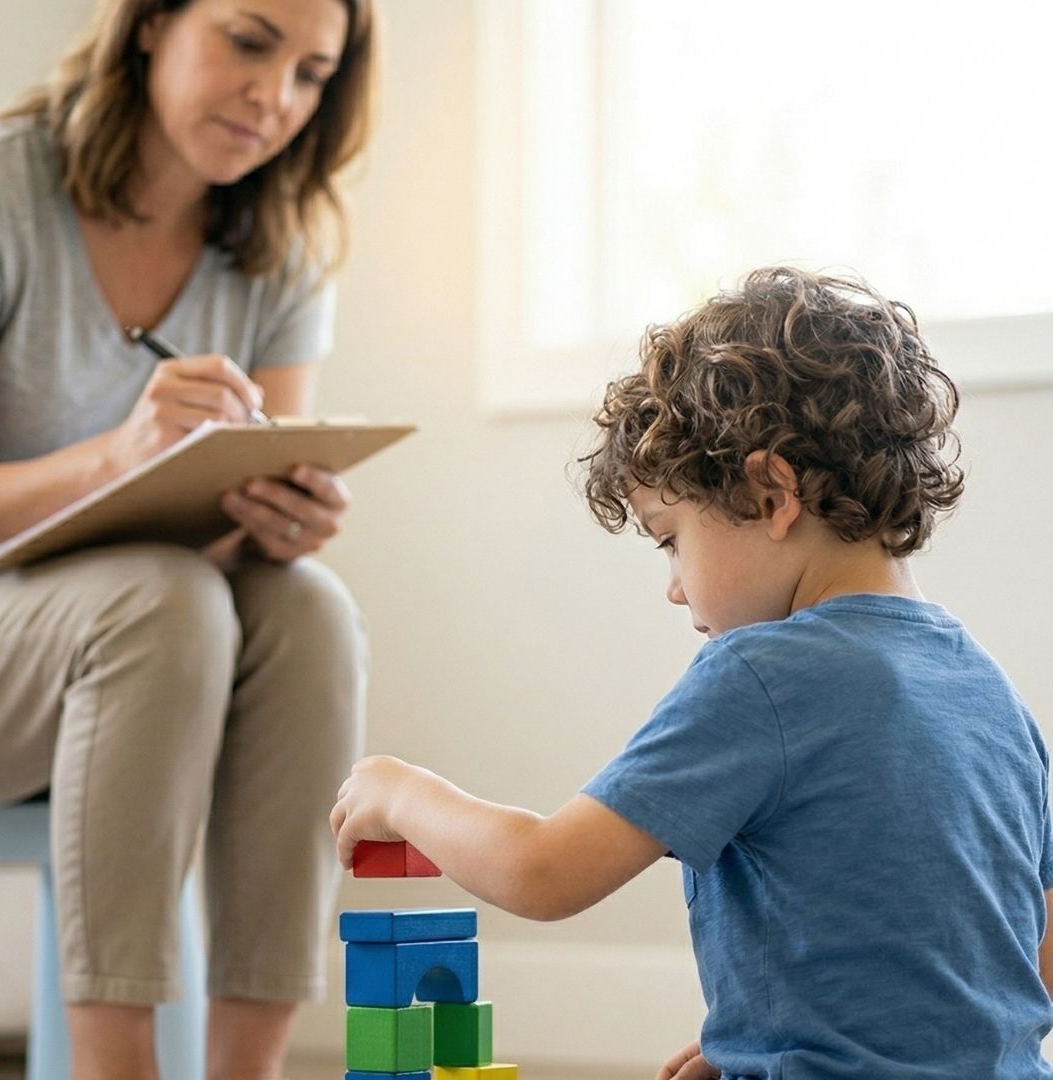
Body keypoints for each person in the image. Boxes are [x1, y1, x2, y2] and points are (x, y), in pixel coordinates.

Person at [331, 267, 1053, 1080]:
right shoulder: (987, 690)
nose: (674, 585)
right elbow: (1022, 947)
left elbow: (544, 872)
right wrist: (766, 1037)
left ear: (773, 492)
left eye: (670, 536)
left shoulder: (760, 674)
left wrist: (403, 789)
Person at [0, 0, 378, 1076]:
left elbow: (241, 530)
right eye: (249, 41)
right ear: (149, 23)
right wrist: (119, 453)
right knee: (159, 598)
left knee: (309, 610)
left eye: (310, 75)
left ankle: (246, 1070)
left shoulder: (284, 250)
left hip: (138, 650)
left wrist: (280, 523)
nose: (275, 98)